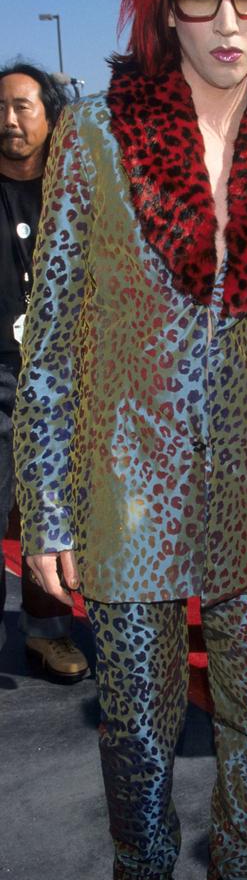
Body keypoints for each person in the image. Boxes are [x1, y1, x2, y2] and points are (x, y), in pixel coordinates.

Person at [13, 0, 247, 879]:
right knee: (139, 727)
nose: (229, 18)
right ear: (165, 7)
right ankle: (141, 868)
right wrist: (48, 506)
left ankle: (243, 863)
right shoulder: (97, 139)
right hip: (126, 482)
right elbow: (55, 341)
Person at [0, 62, 88, 680]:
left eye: (21, 107)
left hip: (66, 383)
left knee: (53, 510)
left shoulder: (77, 194)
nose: (7, 120)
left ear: (51, 117)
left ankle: (48, 632)